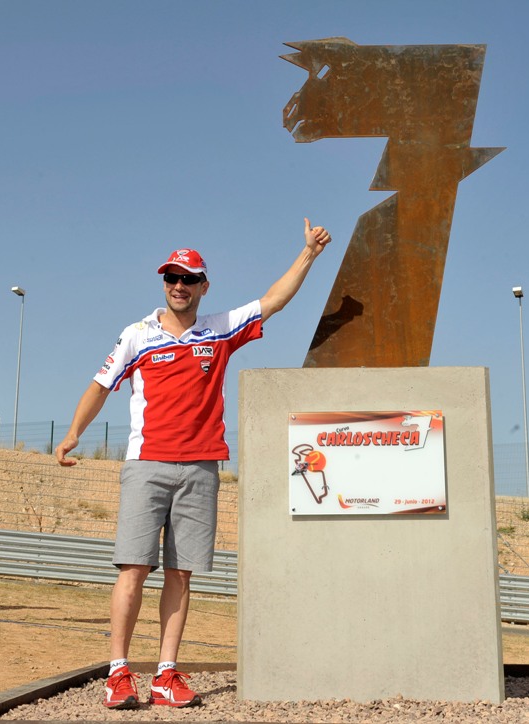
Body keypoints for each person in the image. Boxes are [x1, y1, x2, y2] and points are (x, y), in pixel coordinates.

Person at [55, 218, 331, 709]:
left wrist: (308, 253)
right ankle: (118, 672)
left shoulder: (220, 329)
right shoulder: (137, 335)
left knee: (180, 574)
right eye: (171, 278)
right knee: (134, 569)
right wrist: (74, 434)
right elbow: (100, 385)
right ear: (164, 283)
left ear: (204, 286)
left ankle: (165, 673)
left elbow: (273, 300)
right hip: (147, 464)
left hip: (201, 468)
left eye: (188, 278)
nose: (178, 286)